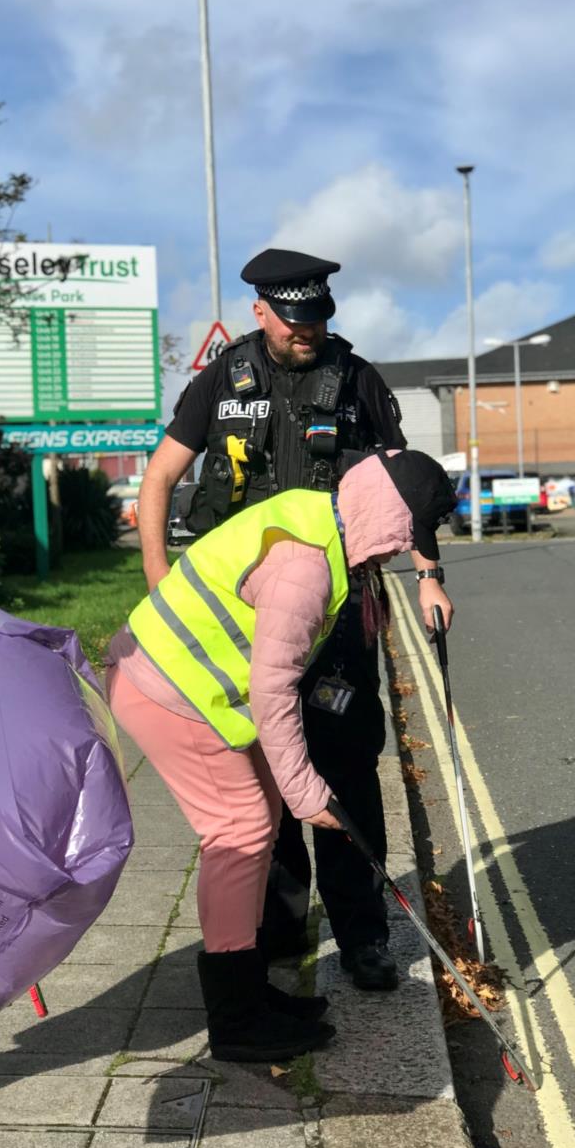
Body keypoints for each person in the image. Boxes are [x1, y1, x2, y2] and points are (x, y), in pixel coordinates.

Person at [137, 248, 454, 990]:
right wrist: (157, 578)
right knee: (260, 769)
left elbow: (407, 484)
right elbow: (159, 477)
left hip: (337, 607)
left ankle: (363, 935)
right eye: (292, 320)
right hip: (245, 613)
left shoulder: (358, 379)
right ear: (260, 312)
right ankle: (278, 931)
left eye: (315, 319)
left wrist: (428, 575)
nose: (305, 331)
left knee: (345, 766)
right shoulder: (221, 379)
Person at [108, 448, 457, 1062]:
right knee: (239, 830)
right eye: (403, 536)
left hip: (182, 683)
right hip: (165, 689)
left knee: (259, 820)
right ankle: (236, 1020)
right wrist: (305, 790)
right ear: (383, 513)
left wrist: (292, 789)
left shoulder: (317, 518)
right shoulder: (305, 570)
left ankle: (249, 989)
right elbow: (274, 689)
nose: (397, 552)